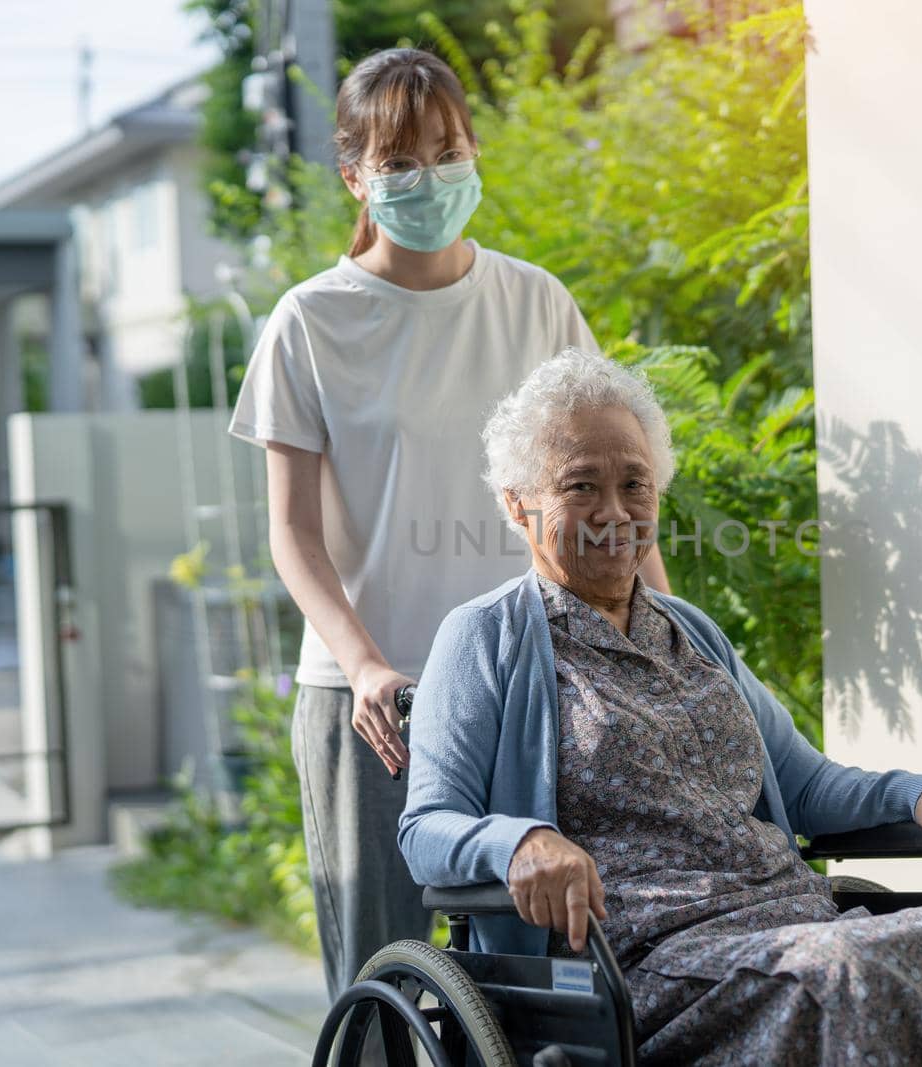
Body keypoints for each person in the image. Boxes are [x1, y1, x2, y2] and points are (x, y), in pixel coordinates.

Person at [400, 350, 922, 1066]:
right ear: (517, 501)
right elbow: (426, 825)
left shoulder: (691, 630)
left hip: (789, 920)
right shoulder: (485, 635)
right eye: (580, 486)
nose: (615, 511)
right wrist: (519, 842)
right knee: (846, 975)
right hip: (635, 961)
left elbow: (807, 785)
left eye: (635, 483)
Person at [228, 49, 670, 1002]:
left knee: (542, 978)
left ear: (474, 152)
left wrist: (677, 647)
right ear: (355, 176)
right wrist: (364, 664)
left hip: (535, 686)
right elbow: (293, 535)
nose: (429, 177)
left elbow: (617, 497)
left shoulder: (536, 301)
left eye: (447, 149)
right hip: (378, 704)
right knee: (381, 975)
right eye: (399, 161)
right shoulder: (309, 321)